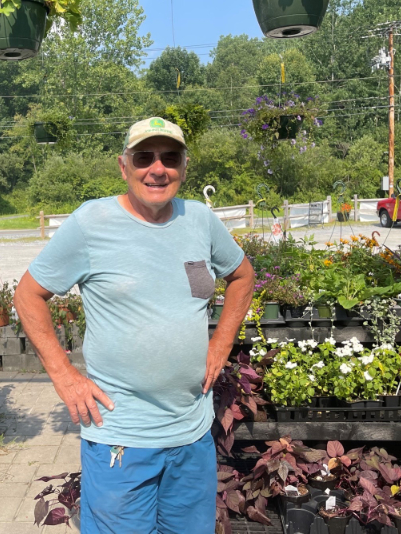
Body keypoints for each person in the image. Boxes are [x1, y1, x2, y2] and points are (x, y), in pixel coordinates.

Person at [14, 117, 254, 533]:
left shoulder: (199, 220)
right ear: (124, 166)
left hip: (191, 435)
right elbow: (27, 295)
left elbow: (243, 276)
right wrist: (64, 374)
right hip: (120, 437)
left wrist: (220, 345)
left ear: (184, 165)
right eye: (144, 157)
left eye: (169, 158)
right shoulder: (92, 223)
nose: (157, 169)